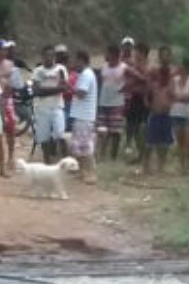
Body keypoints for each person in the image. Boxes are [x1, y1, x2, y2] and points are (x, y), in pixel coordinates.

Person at [31, 45, 69, 164]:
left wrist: (46, 90)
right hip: (41, 108)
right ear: (42, 56)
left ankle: (66, 161)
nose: (49, 58)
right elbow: (37, 91)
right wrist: (56, 89)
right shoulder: (38, 71)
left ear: (54, 56)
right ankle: (47, 162)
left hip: (57, 106)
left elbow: (64, 87)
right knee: (44, 138)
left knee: (60, 134)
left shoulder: (61, 69)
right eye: (46, 55)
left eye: (51, 55)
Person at [70, 50, 99, 184]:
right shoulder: (84, 74)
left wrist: (68, 87)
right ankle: (83, 172)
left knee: (86, 147)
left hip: (85, 116)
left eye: (76, 60)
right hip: (81, 115)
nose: (74, 63)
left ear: (82, 60)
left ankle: (91, 173)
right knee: (79, 146)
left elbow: (81, 93)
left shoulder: (87, 75)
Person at [142, 58, 175, 176]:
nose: (163, 76)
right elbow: (146, 96)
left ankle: (161, 165)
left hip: (166, 115)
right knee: (150, 142)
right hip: (155, 115)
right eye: (162, 74)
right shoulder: (154, 85)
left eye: (165, 74)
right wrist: (149, 105)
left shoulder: (171, 85)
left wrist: (170, 105)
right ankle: (146, 165)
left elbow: (174, 97)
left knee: (165, 143)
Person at [0, 40, 20, 158]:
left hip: (7, 99)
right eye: (3, 49)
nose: (5, 51)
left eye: (6, 49)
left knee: (10, 128)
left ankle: (11, 156)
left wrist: (9, 91)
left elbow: (14, 83)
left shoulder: (10, 64)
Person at [97, 44, 127, 161]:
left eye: (107, 53)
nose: (105, 55)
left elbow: (134, 78)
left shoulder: (124, 67)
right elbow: (101, 81)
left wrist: (124, 88)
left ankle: (113, 155)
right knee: (102, 129)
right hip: (104, 102)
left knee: (115, 131)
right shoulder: (104, 67)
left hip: (117, 103)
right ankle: (102, 152)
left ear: (113, 55)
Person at [122, 41, 151, 161]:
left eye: (136, 52)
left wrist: (133, 71)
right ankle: (139, 153)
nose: (134, 54)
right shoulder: (134, 65)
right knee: (132, 125)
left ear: (142, 53)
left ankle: (144, 154)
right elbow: (132, 81)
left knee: (142, 128)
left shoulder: (147, 66)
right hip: (134, 97)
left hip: (144, 99)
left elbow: (145, 80)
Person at [171, 58, 189, 174]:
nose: (179, 67)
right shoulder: (175, 79)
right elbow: (173, 94)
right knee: (180, 142)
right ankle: (183, 167)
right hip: (176, 113)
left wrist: (178, 98)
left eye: (181, 66)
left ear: (187, 67)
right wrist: (182, 98)